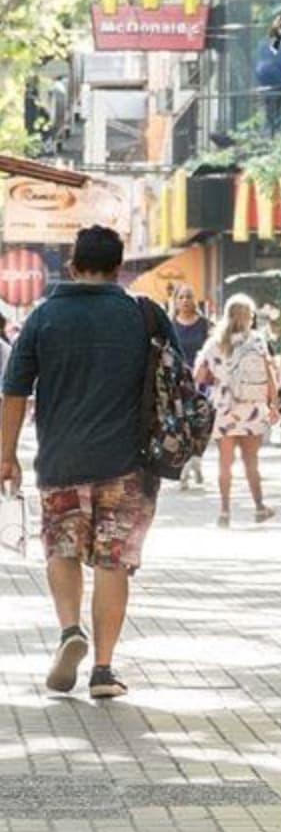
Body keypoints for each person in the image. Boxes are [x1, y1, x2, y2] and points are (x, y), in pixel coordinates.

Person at [0, 226, 175, 699]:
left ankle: (67, 631)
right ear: (120, 268)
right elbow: (175, 382)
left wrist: (6, 454)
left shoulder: (44, 317)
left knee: (62, 549)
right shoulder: (143, 315)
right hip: (129, 466)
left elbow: (14, 389)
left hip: (61, 462)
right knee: (112, 563)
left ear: (72, 266)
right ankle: (102, 669)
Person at [195, 294, 279, 528]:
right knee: (251, 463)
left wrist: (218, 379)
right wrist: (273, 403)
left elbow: (199, 376)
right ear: (247, 317)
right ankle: (260, 508)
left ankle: (224, 512)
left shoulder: (214, 343)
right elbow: (269, 373)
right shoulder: (256, 340)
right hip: (252, 408)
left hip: (225, 407)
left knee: (225, 464)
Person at [170, 284, 210, 487]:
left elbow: (214, 351)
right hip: (178, 383)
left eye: (189, 296)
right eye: (182, 297)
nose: (185, 300)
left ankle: (196, 459)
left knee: (200, 425)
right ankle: (184, 467)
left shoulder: (205, 325)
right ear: (176, 301)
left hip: (200, 383)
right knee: (181, 424)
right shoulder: (170, 325)